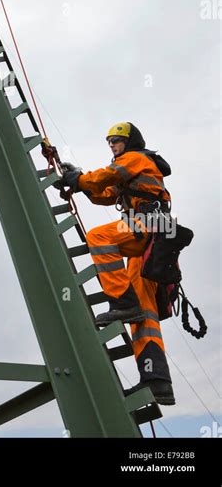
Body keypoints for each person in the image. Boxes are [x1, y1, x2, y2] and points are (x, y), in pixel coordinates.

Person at [56, 122, 175, 405]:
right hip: (152, 239)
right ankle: (157, 381)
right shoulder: (130, 170)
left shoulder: (134, 158)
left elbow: (106, 176)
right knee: (145, 316)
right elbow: (104, 194)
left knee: (98, 236)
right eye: (108, 140)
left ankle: (122, 302)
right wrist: (79, 181)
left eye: (116, 139)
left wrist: (80, 179)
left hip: (148, 225)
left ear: (130, 141)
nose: (111, 144)